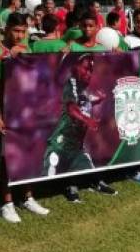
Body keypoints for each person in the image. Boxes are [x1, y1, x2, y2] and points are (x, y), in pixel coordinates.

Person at [0, 13, 49, 222]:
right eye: (16, 31)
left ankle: (28, 197)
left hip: (27, 112)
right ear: (6, 29)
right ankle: (7, 203)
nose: (19, 35)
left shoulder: (27, 49)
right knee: (7, 159)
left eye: (23, 32)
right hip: (8, 113)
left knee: (28, 156)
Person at [41, 54, 111, 202]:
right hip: (60, 143)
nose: (88, 73)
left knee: (90, 169)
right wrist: (88, 120)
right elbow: (71, 108)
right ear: (75, 67)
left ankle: (95, 183)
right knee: (48, 175)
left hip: (77, 147)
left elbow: (86, 103)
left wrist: (99, 100)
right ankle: (31, 196)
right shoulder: (71, 83)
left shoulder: (85, 87)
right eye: (86, 69)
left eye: (91, 70)